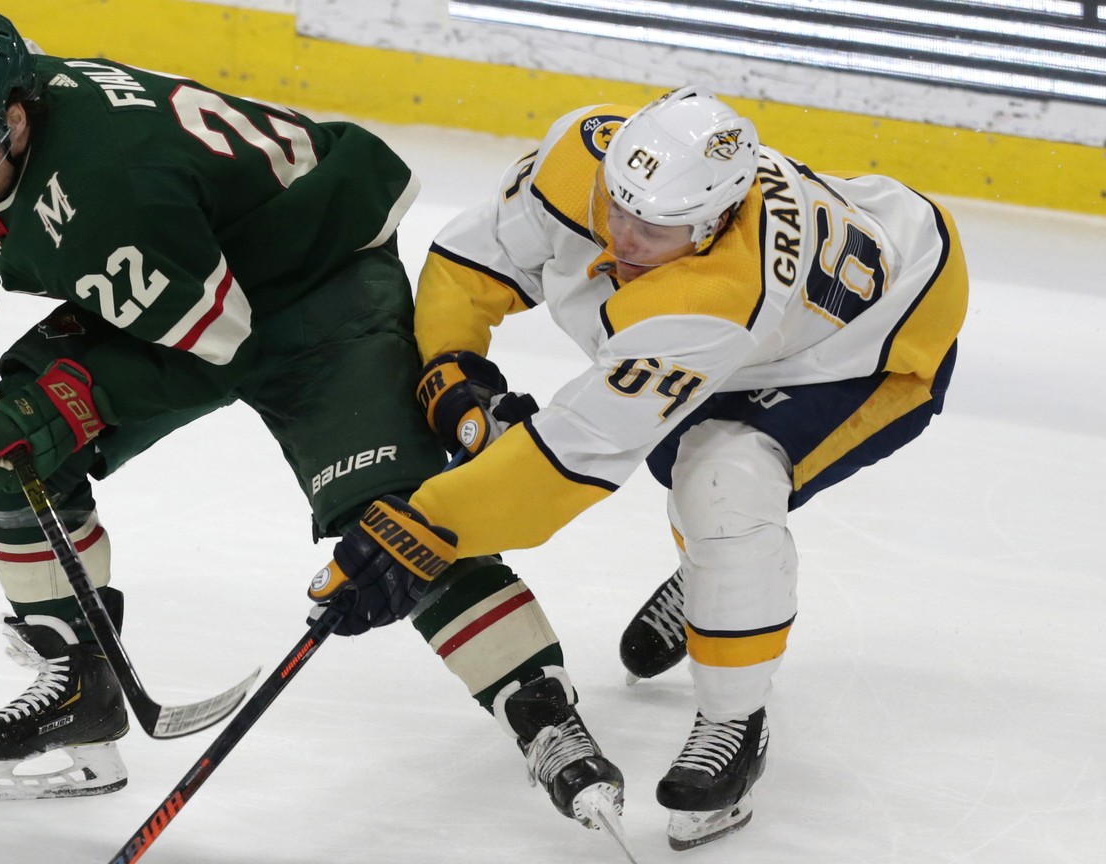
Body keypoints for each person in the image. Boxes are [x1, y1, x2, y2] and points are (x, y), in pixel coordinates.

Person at [0, 4, 625, 828]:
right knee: (7, 451)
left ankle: (544, 715)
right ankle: (79, 687)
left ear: (14, 118)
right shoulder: (24, 98)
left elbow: (219, 342)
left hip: (317, 284)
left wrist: (78, 395)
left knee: (398, 525)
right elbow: (41, 211)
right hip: (204, 263)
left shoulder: (109, 196)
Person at [307, 85, 967, 849]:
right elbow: (472, 260)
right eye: (618, 205)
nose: (620, 236)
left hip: (875, 344)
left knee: (725, 484)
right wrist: (453, 370)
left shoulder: (718, 296)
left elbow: (569, 458)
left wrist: (424, 531)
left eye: (652, 228)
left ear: (714, 221)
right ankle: (719, 579)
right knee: (700, 484)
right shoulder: (584, 156)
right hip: (784, 311)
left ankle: (734, 720)